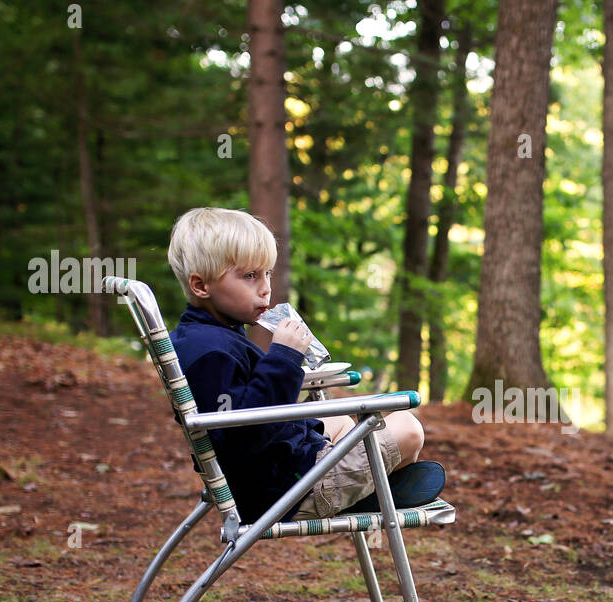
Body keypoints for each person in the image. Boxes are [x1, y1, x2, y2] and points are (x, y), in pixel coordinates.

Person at [165, 207, 441, 523]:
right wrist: (283, 357)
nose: (265, 287)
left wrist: (289, 365)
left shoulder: (205, 336)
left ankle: (367, 490)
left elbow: (250, 409)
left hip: (280, 469)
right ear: (201, 285)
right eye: (250, 276)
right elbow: (246, 436)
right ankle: (369, 495)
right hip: (282, 491)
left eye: (267, 273)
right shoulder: (211, 353)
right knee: (408, 427)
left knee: (342, 422)